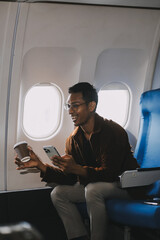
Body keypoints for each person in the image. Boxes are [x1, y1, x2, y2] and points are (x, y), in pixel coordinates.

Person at [15, 82, 140, 240]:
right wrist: (40, 166)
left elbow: (110, 174)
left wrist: (77, 169)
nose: (70, 111)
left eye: (75, 105)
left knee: (93, 189)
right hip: (96, 185)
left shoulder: (113, 132)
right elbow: (70, 178)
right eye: (68, 106)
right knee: (59, 193)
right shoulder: (73, 139)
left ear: (91, 106)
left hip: (126, 186)